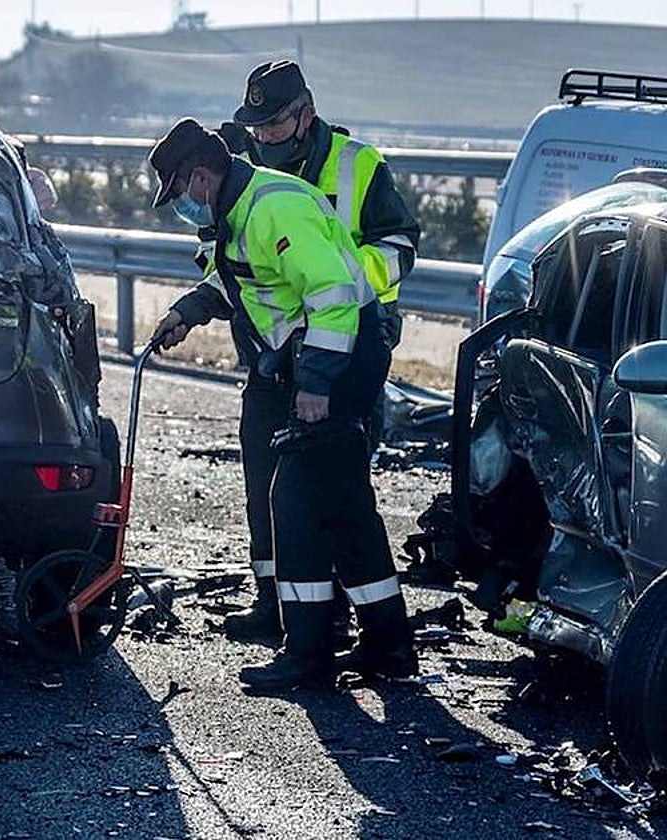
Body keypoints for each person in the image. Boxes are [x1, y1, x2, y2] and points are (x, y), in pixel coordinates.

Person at [147, 118, 415, 690]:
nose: (181, 207)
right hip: (324, 356)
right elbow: (241, 281)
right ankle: (389, 646)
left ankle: (309, 654)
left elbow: (334, 297)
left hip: (339, 359)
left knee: (293, 502)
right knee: (345, 504)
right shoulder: (240, 211)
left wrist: (316, 384)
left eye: (178, 194)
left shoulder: (273, 208)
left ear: (200, 176)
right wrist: (189, 312)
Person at [210, 61, 421, 644]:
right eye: (255, 127)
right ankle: (276, 605)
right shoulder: (249, 171)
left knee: (330, 489)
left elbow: (401, 245)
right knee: (266, 483)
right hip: (273, 356)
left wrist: (345, 279)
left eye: (274, 124)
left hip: (344, 350)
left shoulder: (357, 165)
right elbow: (233, 262)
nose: (264, 137)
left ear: (305, 112)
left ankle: (337, 617)